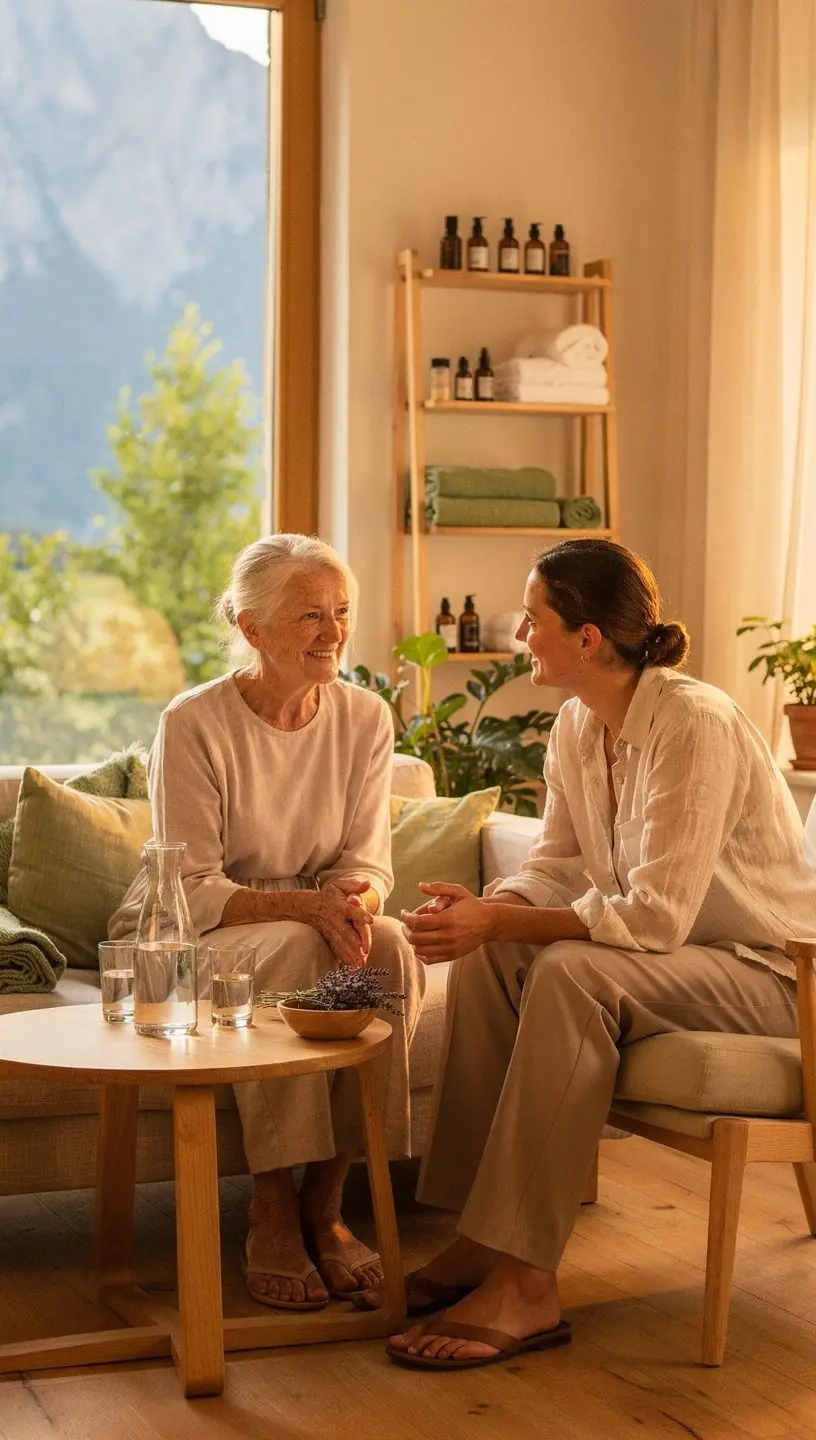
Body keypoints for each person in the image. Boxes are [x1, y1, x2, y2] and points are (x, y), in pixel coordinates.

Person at [368, 537, 816, 1371]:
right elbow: (558, 864)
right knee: (494, 956)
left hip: (774, 973)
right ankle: (480, 1238)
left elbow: (653, 917)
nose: (519, 638)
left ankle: (528, 1283)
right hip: (683, 963)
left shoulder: (694, 723)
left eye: (533, 621)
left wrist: (502, 925)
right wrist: (488, 911)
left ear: (587, 638)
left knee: (572, 971)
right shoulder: (579, 723)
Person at [110, 534, 425, 1312]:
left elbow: (369, 863)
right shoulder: (194, 721)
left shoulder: (365, 718)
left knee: (389, 944)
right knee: (291, 943)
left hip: (315, 915)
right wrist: (308, 909)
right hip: (196, 929)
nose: (333, 632)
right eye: (309, 615)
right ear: (251, 629)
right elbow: (191, 883)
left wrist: (350, 907)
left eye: (341, 612)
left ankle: (330, 1195)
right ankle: (274, 1204)